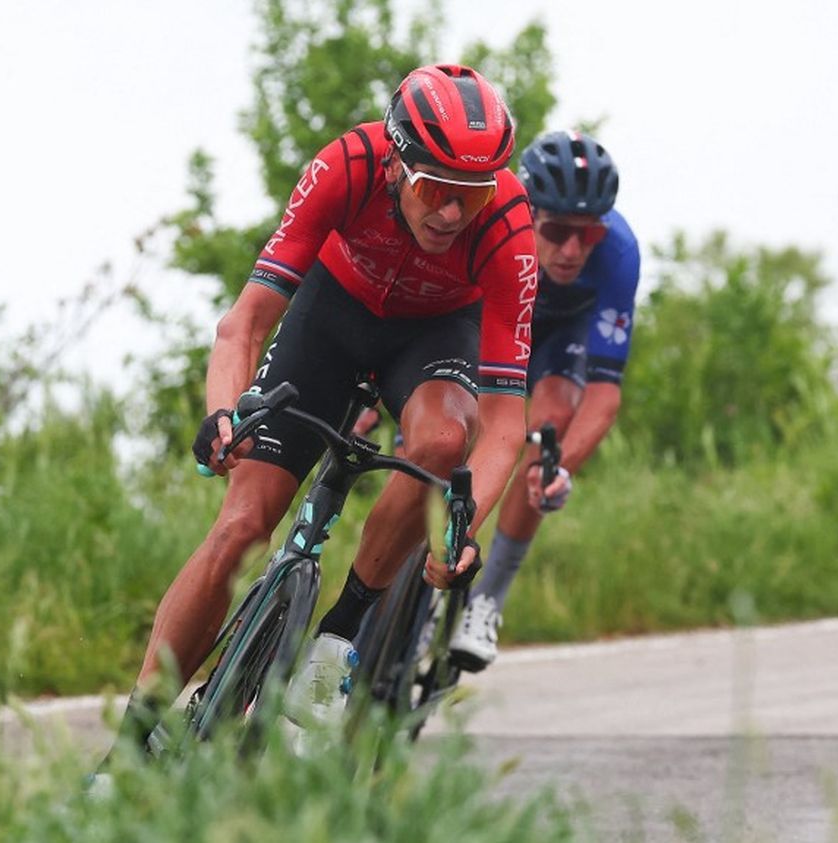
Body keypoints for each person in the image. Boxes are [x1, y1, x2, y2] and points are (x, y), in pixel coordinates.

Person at [102, 64, 538, 763]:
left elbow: (505, 421)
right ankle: (129, 745)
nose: (453, 214)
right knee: (241, 526)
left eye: (472, 195)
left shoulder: (509, 231)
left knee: (445, 437)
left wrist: (463, 524)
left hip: (432, 337)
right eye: (435, 190)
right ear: (397, 162)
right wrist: (224, 413)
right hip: (332, 316)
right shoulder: (348, 165)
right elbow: (243, 324)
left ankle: (339, 633)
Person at [447, 129, 640, 671]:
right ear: (528, 212)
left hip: (559, 337)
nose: (573, 250)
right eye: (556, 231)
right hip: (494, 317)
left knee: (551, 424)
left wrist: (559, 469)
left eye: (589, 235)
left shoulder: (619, 255)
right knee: (450, 422)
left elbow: (603, 396)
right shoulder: (492, 225)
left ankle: (487, 601)